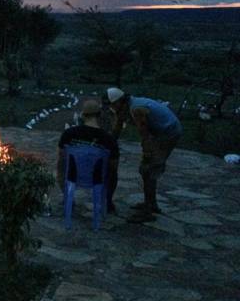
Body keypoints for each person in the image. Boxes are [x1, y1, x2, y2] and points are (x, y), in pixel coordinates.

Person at [105, 87, 183, 223]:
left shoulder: (137, 109)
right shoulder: (124, 107)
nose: (111, 108)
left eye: (112, 105)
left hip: (168, 133)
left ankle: (148, 211)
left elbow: (144, 134)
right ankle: (152, 203)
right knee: (147, 168)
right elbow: (117, 126)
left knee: (148, 169)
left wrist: (147, 153)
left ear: (118, 102)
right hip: (160, 132)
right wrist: (109, 144)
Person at [57, 100, 120, 213]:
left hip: (73, 175)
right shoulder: (108, 138)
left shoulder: (69, 133)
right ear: (99, 115)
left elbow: (61, 155)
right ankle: (108, 201)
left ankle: (67, 197)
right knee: (113, 172)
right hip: (98, 177)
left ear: (83, 115)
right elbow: (114, 163)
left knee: (60, 165)